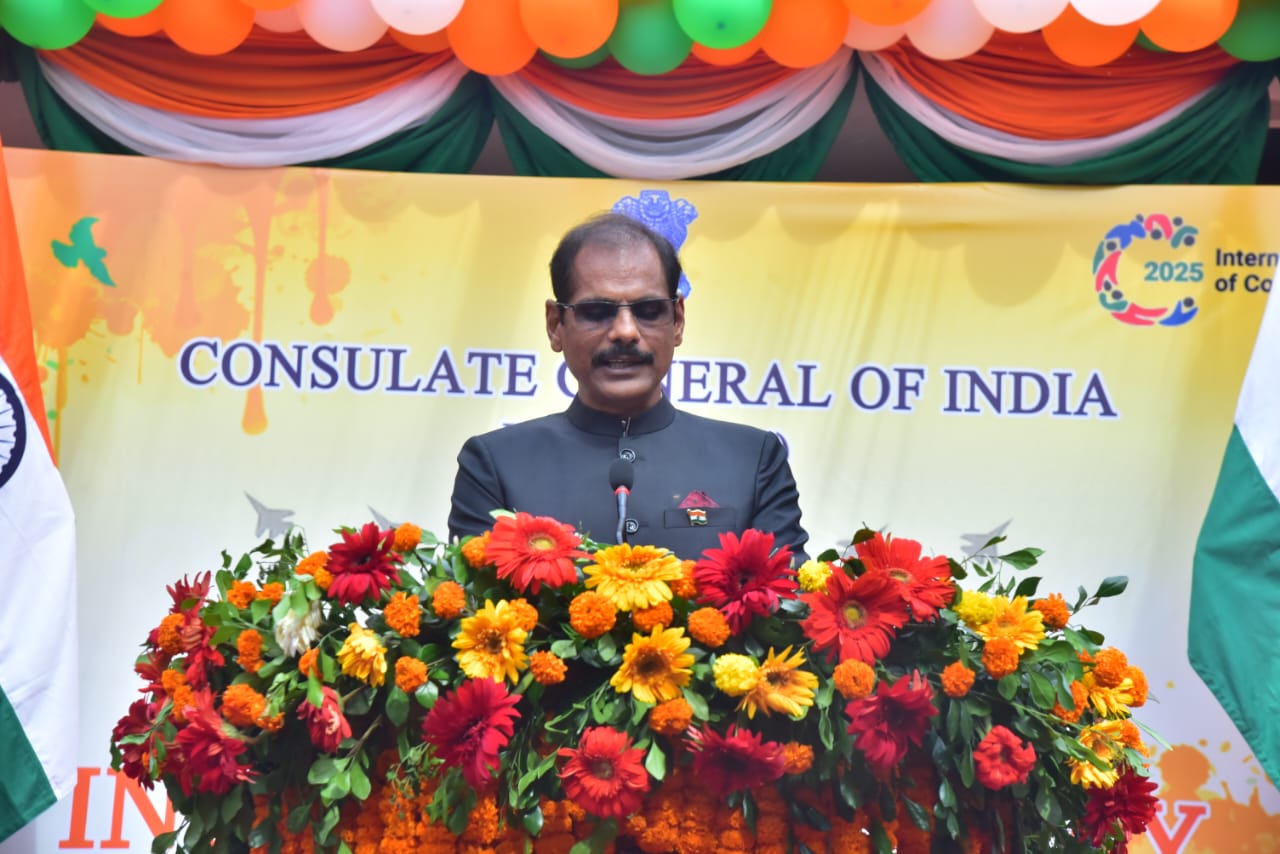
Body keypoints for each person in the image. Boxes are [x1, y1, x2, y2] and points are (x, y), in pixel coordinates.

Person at [447, 212, 808, 561]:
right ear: (556, 325)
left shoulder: (752, 460)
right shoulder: (497, 464)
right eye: (597, 312)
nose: (625, 331)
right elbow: (477, 599)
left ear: (677, 320)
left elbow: (784, 597)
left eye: (649, 310)